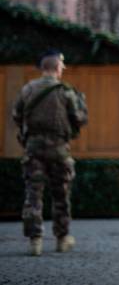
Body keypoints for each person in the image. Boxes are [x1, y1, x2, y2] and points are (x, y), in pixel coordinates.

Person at [12, 50, 88, 256]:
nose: (63, 69)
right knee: (61, 194)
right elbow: (79, 119)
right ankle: (62, 239)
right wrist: (82, 106)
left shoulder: (28, 89)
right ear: (56, 68)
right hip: (59, 148)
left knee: (33, 194)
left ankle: (35, 241)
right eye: (62, 66)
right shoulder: (66, 91)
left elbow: (16, 115)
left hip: (33, 148)